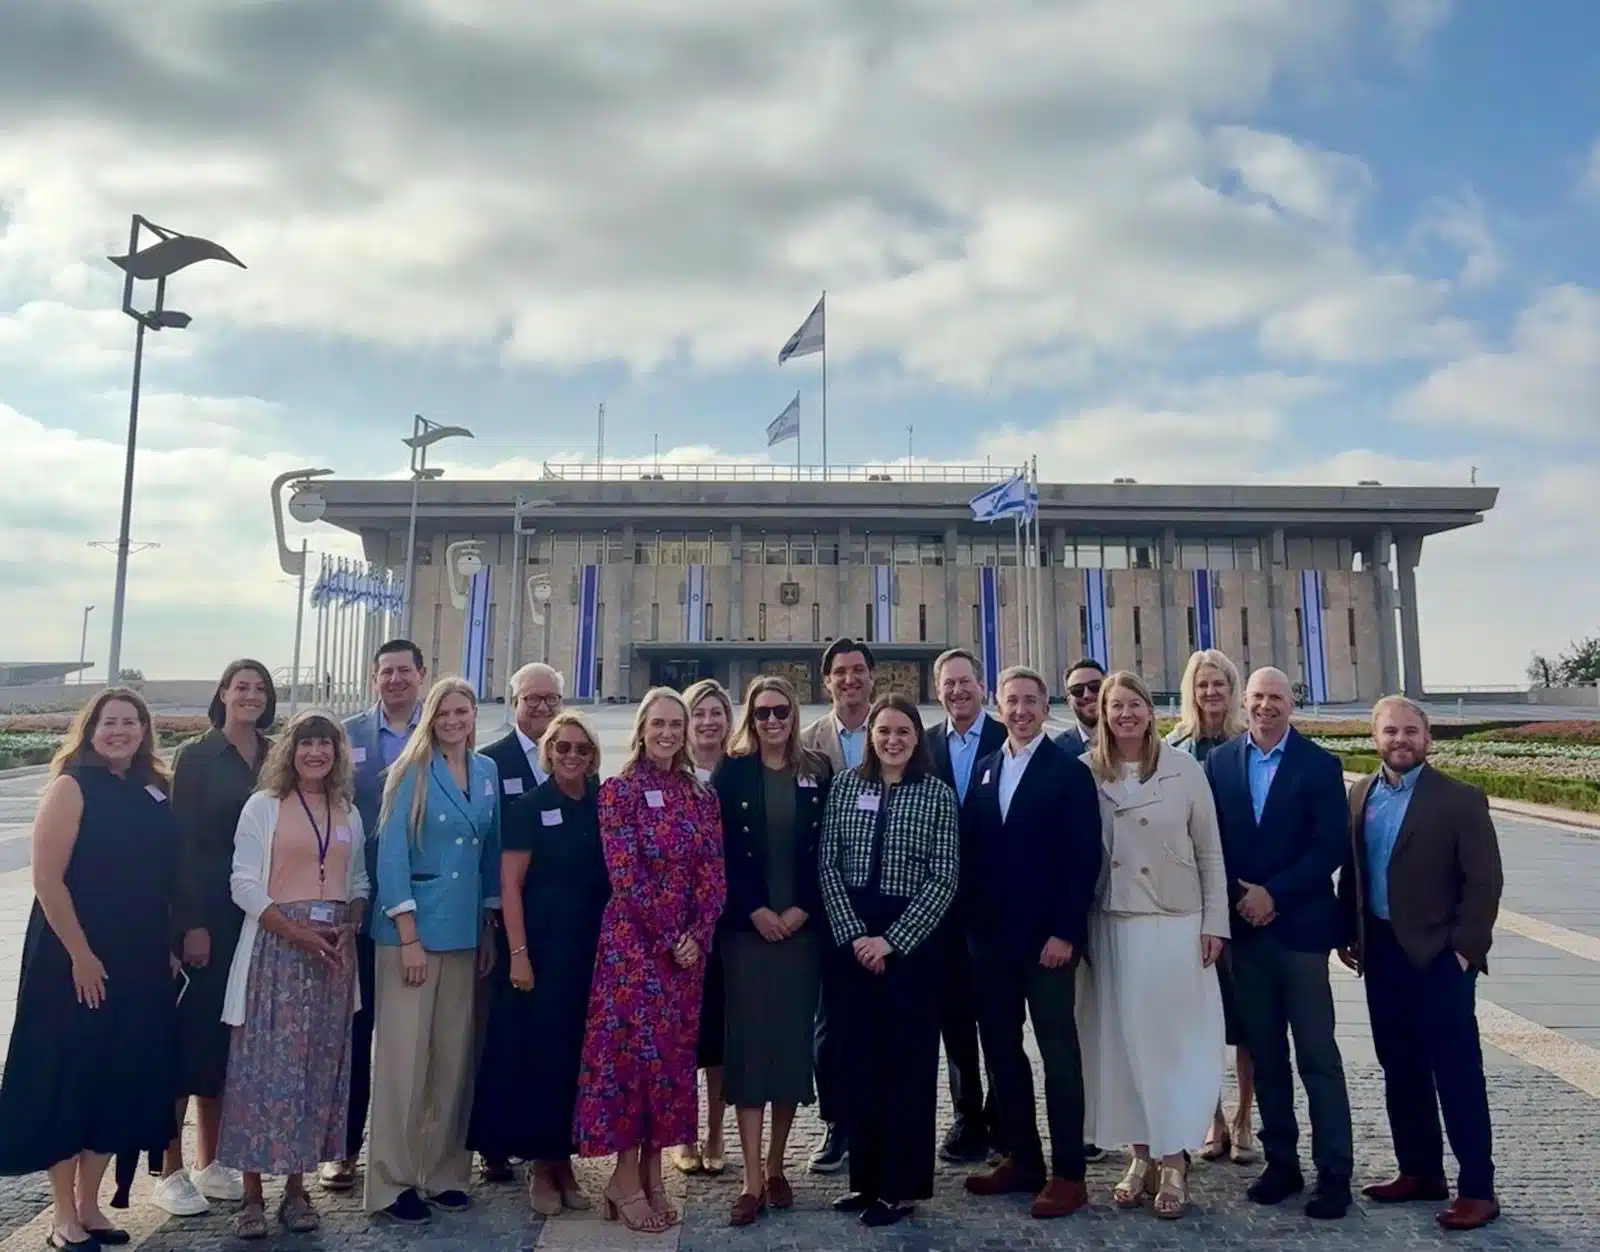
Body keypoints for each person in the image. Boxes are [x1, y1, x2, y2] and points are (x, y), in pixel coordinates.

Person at [0, 689, 179, 1250]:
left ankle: (90, 1205)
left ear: (145, 730)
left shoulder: (155, 790)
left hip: (139, 958)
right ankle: (61, 1217)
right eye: (109, 722)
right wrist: (80, 954)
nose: (120, 730)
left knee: (116, 1078)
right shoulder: (71, 787)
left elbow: (165, 877)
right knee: (70, 1077)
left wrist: (168, 945)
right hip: (72, 958)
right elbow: (47, 881)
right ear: (90, 729)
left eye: (131, 721)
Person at [1337, 697, 1504, 1232]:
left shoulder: (1458, 801)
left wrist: (1463, 950)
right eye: (1391, 731)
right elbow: (1355, 871)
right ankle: (1420, 1171)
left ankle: (1477, 1189)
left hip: (1438, 957)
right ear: (1375, 737)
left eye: (1411, 731)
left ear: (1427, 739)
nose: (1401, 739)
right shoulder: (1361, 794)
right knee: (1399, 1067)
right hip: (1382, 953)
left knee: (1456, 1073)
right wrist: (1349, 932)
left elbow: (1484, 883)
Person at [573, 688, 726, 1234]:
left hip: (686, 956)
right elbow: (626, 876)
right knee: (632, 1065)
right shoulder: (619, 792)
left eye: (675, 724)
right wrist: (669, 936)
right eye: (658, 723)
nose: (667, 732)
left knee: (671, 1067)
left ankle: (654, 1174)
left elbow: (713, 873)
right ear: (641, 728)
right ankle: (622, 1178)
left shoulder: (699, 796)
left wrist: (698, 934)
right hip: (634, 951)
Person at [1203, 667, 1354, 1219]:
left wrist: (1275, 894)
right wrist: (1239, 899)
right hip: (1245, 933)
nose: (1266, 706)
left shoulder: (1319, 765)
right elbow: (1209, 841)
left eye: (1277, 698)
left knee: (1318, 1055)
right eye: (1258, 697)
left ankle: (1335, 1170)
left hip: (1301, 932)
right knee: (1265, 1055)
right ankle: (1281, 1163)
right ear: (1244, 703)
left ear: (1292, 704)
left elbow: (1328, 846)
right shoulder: (1219, 764)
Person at [1079, 671, 1229, 1220]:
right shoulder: (1085, 772)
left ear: (1151, 709)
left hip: (1173, 921)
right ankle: (1139, 1155)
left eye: (1135, 704)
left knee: (1169, 1044)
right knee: (1120, 1044)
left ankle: (1173, 1157)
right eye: (1115, 706)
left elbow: (1210, 850)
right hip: (1111, 921)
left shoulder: (1184, 769)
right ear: (1102, 713)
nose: (1125, 715)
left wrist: (1216, 922)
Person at [216, 712, 369, 1239]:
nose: (315, 753)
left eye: (325, 744)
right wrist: (296, 932)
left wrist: (353, 916)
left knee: (315, 1074)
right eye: (306, 743)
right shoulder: (264, 807)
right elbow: (242, 883)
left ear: (337, 753)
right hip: (277, 951)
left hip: (331, 956)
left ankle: (298, 1190)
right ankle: (253, 1196)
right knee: (263, 1071)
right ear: (290, 750)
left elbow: (360, 878)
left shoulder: (347, 809)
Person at [961, 667, 1101, 1220]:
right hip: (992, 945)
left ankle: (1069, 1173)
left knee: (1059, 1056)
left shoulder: (1068, 773)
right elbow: (972, 851)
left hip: (1048, 946)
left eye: (1029, 701)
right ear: (1000, 708)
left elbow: (1082, 858)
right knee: (1002, 1053)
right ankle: (1023, 1158)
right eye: (1010, 701)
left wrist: (1065, 931)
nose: (1019, 710)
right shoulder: (987, 770)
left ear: (1046, 709)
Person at [817, 694, 958, 1228]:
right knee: (858, 1062)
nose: (893, 741)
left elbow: (944, 878)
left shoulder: (937, 795)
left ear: (917, 738)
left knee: (906, 1067)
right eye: (884, 732)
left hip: (910, 946)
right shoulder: (847, 787)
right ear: (870, 736)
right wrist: (855, 935)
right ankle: (865, 1180)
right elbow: (827, 864)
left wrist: (891, 941)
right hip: (852, 936)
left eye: (903, 731)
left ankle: (899, 1187)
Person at [365, 678, 501, 1225]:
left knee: (453, 1061)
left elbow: (491, 853)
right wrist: (408, 935)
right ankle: (392, 1181)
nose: (453, 720)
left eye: (462, 711)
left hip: (466, 932)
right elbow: (391, 855)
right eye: (443, 711)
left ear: (474, 716)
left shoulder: (487, 772)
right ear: (430, 717)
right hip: (412, 935)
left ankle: (443, 1171)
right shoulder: (409, 772)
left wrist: (490, 927)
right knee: (404, 1063)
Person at [469, 710, 608, 1217]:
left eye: (581, 749)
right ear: (548, 752)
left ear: (593, 757)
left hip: (589, 953)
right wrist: (519, 955)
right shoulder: (530, 806)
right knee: (540, 1061)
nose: (571, 756)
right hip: (540, 953)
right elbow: (510, 886)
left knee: (576, 1061)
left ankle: (566, 1160)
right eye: (562, 747)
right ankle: (542, 1168)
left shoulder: (602, 803)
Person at [713, 676, 832, 1227]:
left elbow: (828, 850)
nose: (773, 721)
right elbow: (722, 856)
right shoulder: (732, 771)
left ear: (794, 712)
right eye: (762, 713)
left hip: (801, 933)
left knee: (789, 1049)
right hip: (748, 934)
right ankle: (751, 1178)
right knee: (749, 1048)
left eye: (781, 710)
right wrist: (755, 910)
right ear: (750, 718)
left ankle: (779, 1165)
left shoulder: (817, 772)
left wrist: (802, 908)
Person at [158, 660, 276, 1216]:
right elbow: (179, 845)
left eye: (259, 688)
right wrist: (189, 923)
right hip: (209, 911)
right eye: (241, 687)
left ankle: (213, 1159)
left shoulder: (275, 753)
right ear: (223, 694)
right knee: (189, 1037)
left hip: (256, 913)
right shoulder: (198, 757)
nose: (250, 695)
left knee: (230, 1037)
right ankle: (170, 1168)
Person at [322, 639, 427, 1192]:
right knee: (355, 1029)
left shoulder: (439, 729)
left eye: (404, 671)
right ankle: (343, 1147)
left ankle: (410, 1146)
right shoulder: (349, 735)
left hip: (421, 908)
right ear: (374, 677)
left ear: (421, 674)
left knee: (409, 1032)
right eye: (385, 672)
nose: (395, 680)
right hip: (360, 903)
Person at [476, 661, 566, 1185]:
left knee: (548, 1037)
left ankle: (543, 1141)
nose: (542, 708)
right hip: (505, 922)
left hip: (558, 926)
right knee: (502, 1035)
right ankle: (494, 1142)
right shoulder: (492, 762)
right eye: (531, 699)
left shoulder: (573, 759)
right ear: (513, 702)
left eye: (551, 699)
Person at [1166, 648, 1256, 1165]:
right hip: (1187, 900)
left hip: (1239, 898)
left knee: (1244, 1017)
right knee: (1198, 1016)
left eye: (1219, 683)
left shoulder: (1248, 745)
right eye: (1201, 684)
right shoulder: (1173, 747)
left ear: (1232, 688)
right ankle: (1211, 1119)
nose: (1210, 693)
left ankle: (1244, 1115)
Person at [924, 648, 1004, 1163]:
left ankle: (1004, 1112)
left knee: (997, 1014)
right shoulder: (924, 743)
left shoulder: (1005, 737)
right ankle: (966, 1114)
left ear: (982, 685)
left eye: (965, 682)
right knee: (954, 1017)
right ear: (938, 691)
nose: (957, 691)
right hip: (940, 909)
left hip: (994, 905)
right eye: (948, 684)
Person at [800, 637, 876, 1174]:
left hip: (889, 899)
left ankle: (882, 1122)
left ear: (873, 676)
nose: (849, 680)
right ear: (826, 682)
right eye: (839, 673)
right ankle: (837, 1124)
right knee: (830, 1024)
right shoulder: (809, 744)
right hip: (830, 901)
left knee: (886, 1022)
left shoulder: (898, 731)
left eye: (857, 671)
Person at [670, 678, 734, 1179]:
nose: (708, 722)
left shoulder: (739, 773)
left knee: (717, 1033)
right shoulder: (672, 775)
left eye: (716, 712)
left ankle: (715, 1132)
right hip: (678, 929)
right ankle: (684, 1134)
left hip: (729, 924)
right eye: (699, 713)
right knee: (681, 1033)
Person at [1053, 659, 1105, 755]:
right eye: (1077, 690)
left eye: (1095, 687)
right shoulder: (1055, 750)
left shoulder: (1132, 740)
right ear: (1068, 700)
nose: (1087, 695)